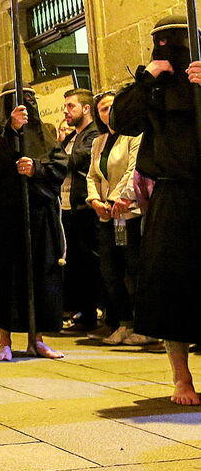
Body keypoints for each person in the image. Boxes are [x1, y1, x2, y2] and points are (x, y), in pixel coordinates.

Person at [112, 15, 201, 405]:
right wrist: (146, 79)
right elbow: (121, 121)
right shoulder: (151, 88)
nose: (167, 51)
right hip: (171, 197)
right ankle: (181, 378)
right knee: (170, 288)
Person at [0, 82, 68, 362]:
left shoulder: (44, 133)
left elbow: (60, 164)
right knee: (7, 276)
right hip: (6, 216)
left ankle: (37, 338)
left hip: (39, 214)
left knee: (40, 275)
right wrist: (11, 131)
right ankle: (4, 339)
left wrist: (36, 168)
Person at [85, 91, 153, 346]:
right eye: (103, 109)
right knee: (111, 272)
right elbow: (92, 175)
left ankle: (144, 324)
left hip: (129, 213)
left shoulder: (134, 136)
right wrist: (94, 201)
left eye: (112, 107)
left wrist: (117, 199)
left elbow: (134, 169)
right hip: (106, 216)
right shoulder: (98, 142)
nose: (108, 113)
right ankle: (124, 322)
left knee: (134, 269)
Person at [58, 89, 102, 333]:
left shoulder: (92, 135)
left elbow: (75, 161)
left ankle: (92, 314)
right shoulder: (72, 138)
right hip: (68, 207)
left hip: (85, 208)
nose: (66, 111)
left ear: (86, 109)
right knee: (75, 263)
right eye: (65, 106)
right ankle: (82, 312)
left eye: (71, 106)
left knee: (89, 263)